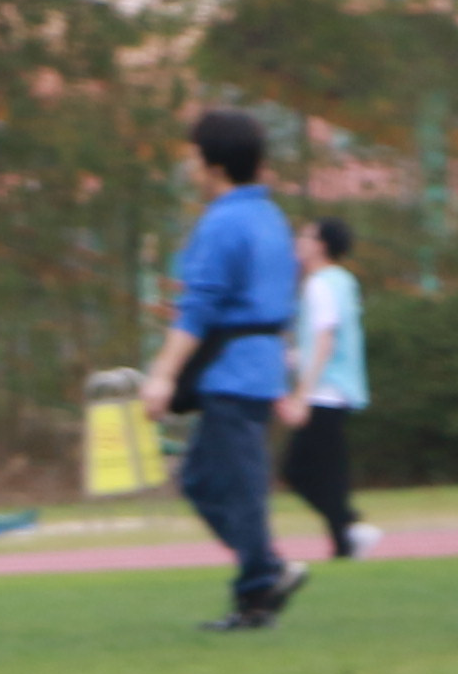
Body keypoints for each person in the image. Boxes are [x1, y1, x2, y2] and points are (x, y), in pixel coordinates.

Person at [138, 107, 303, 631]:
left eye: (193, 158)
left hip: (232, 372)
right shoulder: (271, 217)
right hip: (261, 368)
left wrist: (164, 374)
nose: (189, 168)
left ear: (214, 165)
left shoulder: (223, 221)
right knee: (210, 480)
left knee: (233, 485)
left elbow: (199, 309)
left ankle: (263, 578)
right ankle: (262, 580)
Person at [276, 216, 379, 562]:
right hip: (339, 387)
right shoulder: (343, 281)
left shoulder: (319, 284)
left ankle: (349, 526)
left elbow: (325, 339)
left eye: (306, 236)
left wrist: (302, 395)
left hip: (325, 390)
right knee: (328, 472)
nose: (299, 241)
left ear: (321, 246)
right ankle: (344, 541)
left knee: (298, 471)